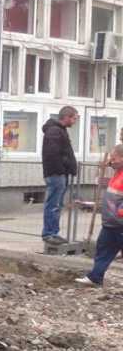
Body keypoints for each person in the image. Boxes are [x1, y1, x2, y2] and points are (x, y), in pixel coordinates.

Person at [77, 144, 123, 287]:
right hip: (110, 222)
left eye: (114, 158)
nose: (111, 161)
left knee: (105, 250)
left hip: (119, 222)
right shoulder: (118, 170)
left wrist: (120, 212)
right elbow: (112, 164)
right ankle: (95, 277)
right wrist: (109, 162)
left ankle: (95, 277)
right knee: (102, 250)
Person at [41, 105, 79, 245]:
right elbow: (53, 154)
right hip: (56, 174)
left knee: (57, 204)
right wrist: (64, 167)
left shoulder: (59, 130)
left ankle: (53, 233)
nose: (75, 121)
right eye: (74, 118)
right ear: (67, 117)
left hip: (59, 173)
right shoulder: (55, 131)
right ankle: (49, 234)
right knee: (53, 204)